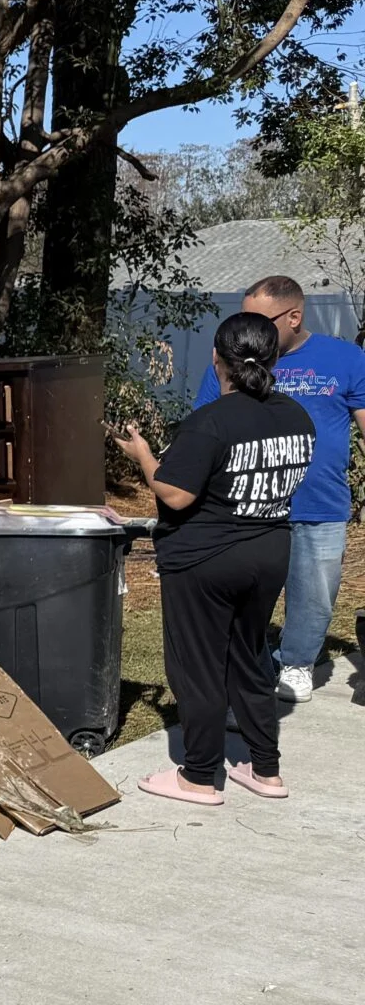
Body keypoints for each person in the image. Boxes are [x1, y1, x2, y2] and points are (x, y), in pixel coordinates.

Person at [119, 312, 315, 805]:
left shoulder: (209, 421)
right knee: (249, 655)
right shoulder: (297, 416)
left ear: (216, 359)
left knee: (199, 665)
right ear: (276, 357)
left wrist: (143, 456)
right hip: (269, 551)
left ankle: (199, 775)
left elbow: (177, 495)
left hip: (205, 558)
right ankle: (265, 770)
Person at [192, 276, 365, 700]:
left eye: (258, 318)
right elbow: (204, 429)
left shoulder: (345, 358)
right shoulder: (233, 360)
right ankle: (246, 667)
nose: (248, 326)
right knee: (244, 596)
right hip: (248, 504)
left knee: (315, 594)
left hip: (319, 503)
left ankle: (297, 663)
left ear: (293, 317)